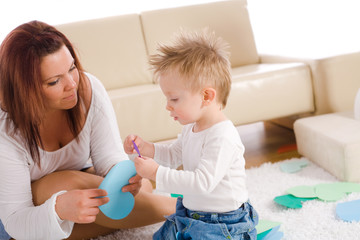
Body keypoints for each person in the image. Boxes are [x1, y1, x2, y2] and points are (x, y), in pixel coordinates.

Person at [0, 20, 176, 240]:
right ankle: (185, 209)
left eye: (72, 68)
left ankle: (175, 199)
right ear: (25, 90)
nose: (72, 84)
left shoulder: (87, 88)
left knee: (128, 190)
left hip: (79, 181)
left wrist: (123, 177)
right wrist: (58, 209)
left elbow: (108, 158)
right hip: (12, 217)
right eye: (54, 81)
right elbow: (15, 220)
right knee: (67, 186)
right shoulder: (5, 131)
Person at [124, 29, 259, 240]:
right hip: (189, 213)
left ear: (206, 96)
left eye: (174, 99)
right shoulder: (192, 127)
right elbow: (174, 155)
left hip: (223, 222)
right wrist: (147, 148)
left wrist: (156, 174)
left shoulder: (222, 136)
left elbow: (202, 183)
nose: (167, 106)